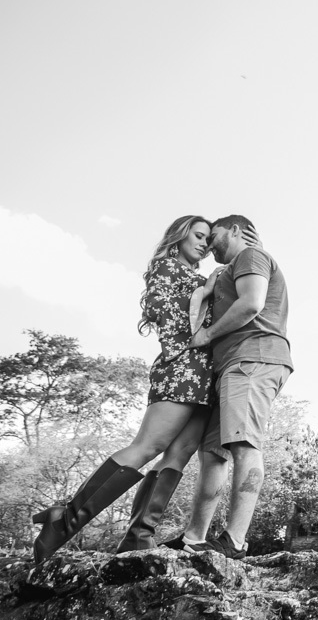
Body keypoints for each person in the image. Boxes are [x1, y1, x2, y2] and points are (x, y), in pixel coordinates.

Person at [32, 217, 219, 562]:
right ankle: (63, 520)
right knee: (149, 446)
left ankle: (138, 536)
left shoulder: (199, 277)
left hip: (207, 375)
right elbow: (161, 311)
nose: (204, 244)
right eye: (198, 235)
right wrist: (204, 292)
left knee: (181, 452)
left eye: (208, 239)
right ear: (179, 237)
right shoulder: (167, 267)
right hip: (182, 367)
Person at [165, 214, 292, 559]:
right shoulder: (228, 270)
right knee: (212, 454)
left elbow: (251, 303)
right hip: (228, 367)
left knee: (244, 444)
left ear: (235, 230)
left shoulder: (251, 256)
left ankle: (235, 540)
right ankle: (194, 537)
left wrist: (206, 335)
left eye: (214, 235)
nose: (208, 245)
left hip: (253, 357)